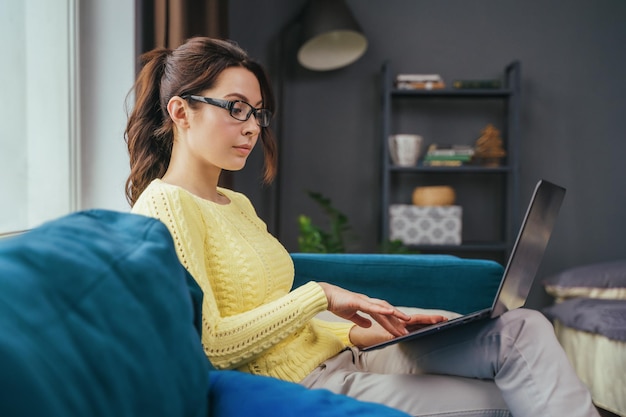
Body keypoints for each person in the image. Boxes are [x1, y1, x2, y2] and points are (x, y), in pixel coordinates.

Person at [125, 37, 599, 417]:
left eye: (258, 111)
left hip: (347, 353)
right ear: (181, 112)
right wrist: (322, 294)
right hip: (308, 383)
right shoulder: (166, 206)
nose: (252, 127)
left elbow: (281, 318)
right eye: (235, 107)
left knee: (522, 329)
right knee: (510, 401)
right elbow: (211, 344)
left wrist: (375, 326)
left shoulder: (237, 203)